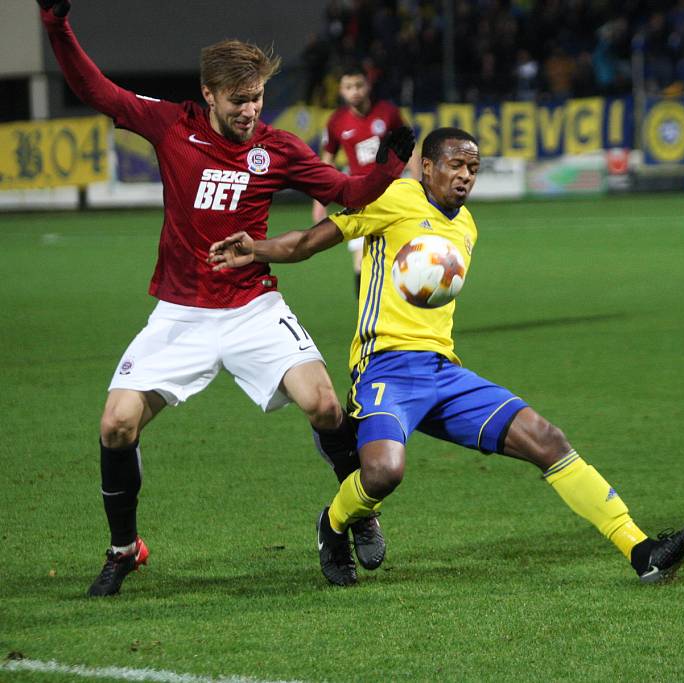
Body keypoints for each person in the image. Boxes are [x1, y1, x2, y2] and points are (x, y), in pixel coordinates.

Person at [208, 127, 684, 587]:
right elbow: (310, 243)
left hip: (443, 372)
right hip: (384, 367)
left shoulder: (466, 226)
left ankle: (641, 550)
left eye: (473, 168)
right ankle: (334, 523)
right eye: (455, 165)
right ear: (426, 166)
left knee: (547, 439)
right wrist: (256, 250)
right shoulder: (394, 198)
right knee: (383, 473)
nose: (465, 176)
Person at [36, 0, 414, 597]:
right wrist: (56, 25)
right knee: (116, 425)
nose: (250, 110)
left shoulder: (278, 148)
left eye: (258, 97)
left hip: (254, 308)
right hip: (181, 313)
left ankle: (357, 511)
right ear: (208, 95)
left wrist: (389, 167)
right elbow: (97, 89)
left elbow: (346, 189)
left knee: (323, 406)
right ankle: (123, 549)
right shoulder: (169, 124)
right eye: (239, 100)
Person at [311, 64, 421, 296]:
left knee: (401, 255)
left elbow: (409, 145)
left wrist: (418, 184)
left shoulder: (388, 112)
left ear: (368, 86)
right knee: (361, 260)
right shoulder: (336, 121)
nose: (355, 91)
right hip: (359, 196)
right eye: (349, 87)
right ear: (341, 90)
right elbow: (327, 161)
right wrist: (319, 201)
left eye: (359, 85)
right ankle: (367, 316)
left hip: (393, 193)